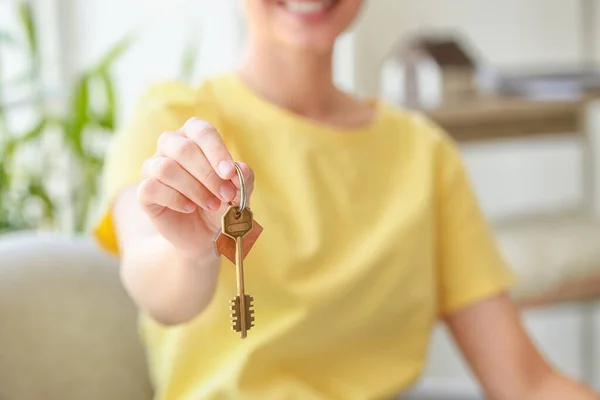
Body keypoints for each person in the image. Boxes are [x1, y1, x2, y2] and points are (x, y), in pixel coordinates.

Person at [93, 1, 599, 399]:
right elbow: (157, 291)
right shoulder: (174, 121)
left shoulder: (423, 152)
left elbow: (525, 382)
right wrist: (194, 250)